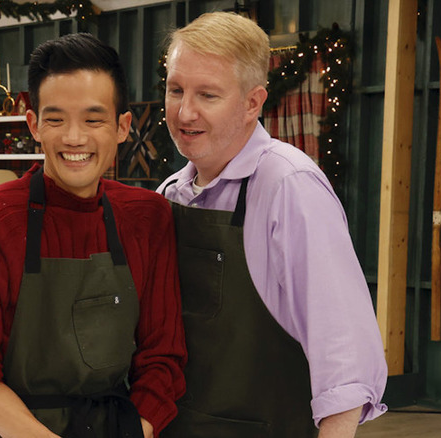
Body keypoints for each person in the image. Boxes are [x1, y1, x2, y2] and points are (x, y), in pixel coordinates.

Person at [0, 33, 187, 438]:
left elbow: (163, 359)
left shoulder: (148, 217)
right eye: (55, 119)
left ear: (122, 126)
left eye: (93, 119)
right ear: (34, 125)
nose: (74, 138)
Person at [157, 12, 387, 438]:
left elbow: (343, 359)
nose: (184, 111)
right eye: (175, 89)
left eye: (207, 94)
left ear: (252, 102)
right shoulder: (170, 194)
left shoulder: (288, 187)